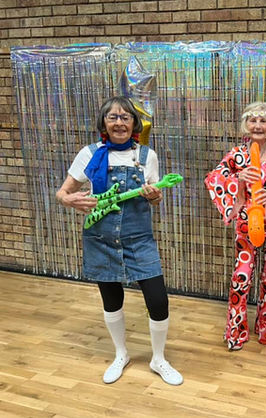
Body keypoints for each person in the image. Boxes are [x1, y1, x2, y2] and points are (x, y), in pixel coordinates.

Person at [55, 96, 183, 386]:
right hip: (100, 238)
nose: (119, 122)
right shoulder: (89, 154)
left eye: (125, 117)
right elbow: (63, 192)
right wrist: (67, 199)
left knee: (158, 300)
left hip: (139, 239)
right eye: (112, 117)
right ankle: (120, 354)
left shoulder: (147, 156)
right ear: (104, 122)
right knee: (112, 301)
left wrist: (155, 196)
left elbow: (155, 197)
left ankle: (158, 359)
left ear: (134, 123)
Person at [204, 102, 266, 351]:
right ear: (245, 124)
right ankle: (236, 333)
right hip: (246, 224)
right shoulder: (238, 153)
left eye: (263, 120)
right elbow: (213, 177)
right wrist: (236, 178)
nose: (258, 125)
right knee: (241, 278)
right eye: (253, 120)